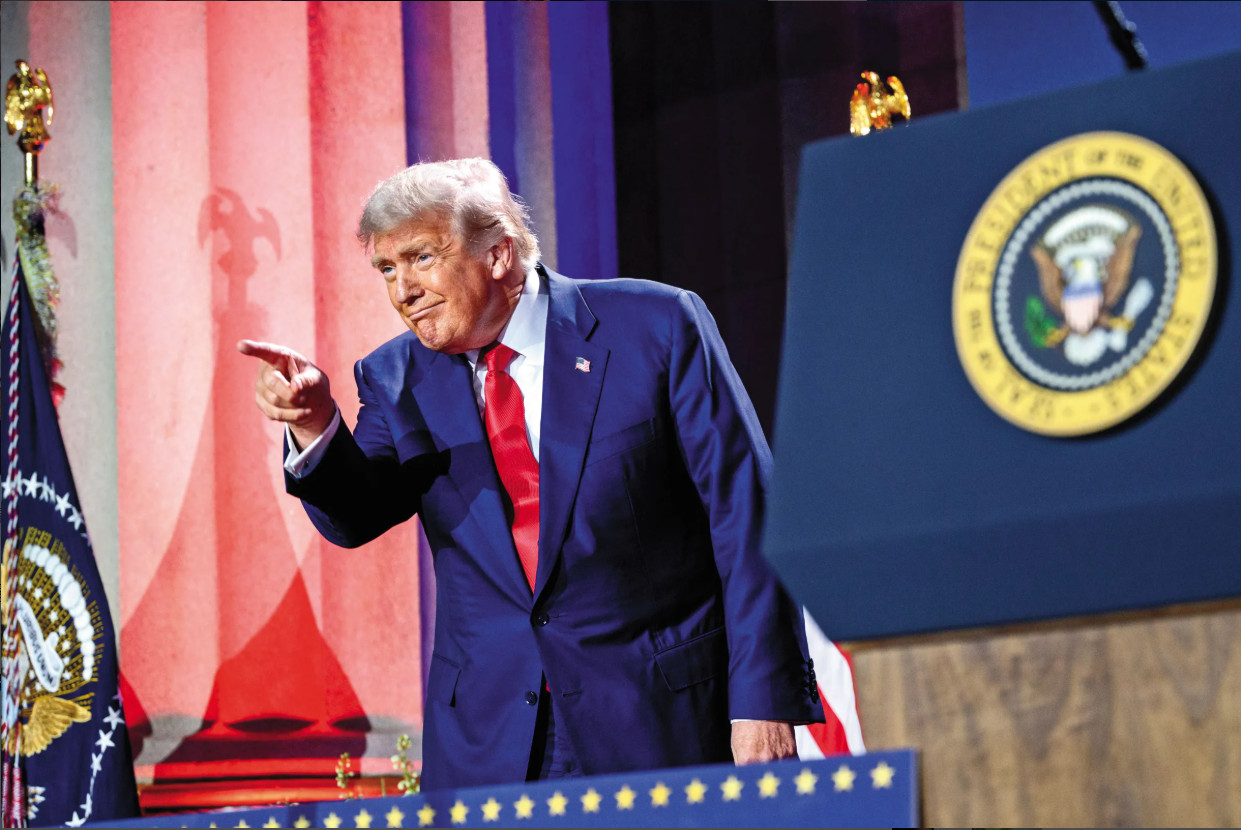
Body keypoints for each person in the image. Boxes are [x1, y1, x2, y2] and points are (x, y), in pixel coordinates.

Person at [240, 158, 821, 790]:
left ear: (498, 254)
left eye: (421, 258)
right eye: (386, 268)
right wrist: (315, 424)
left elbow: (747, 515)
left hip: (656, 720)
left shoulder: (656, 327)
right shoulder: (395, 378)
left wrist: (764, 700)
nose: (402, 290)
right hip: (489, 747)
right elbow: (354, 517)